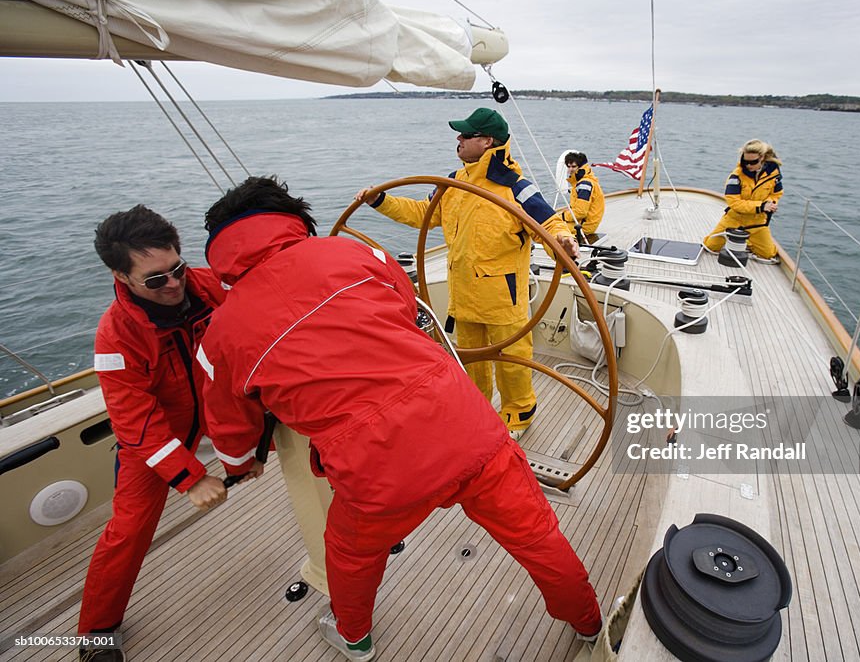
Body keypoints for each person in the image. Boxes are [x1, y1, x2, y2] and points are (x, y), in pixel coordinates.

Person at [195, 176, 602, 662]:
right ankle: (589, 622)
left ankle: (355, 639)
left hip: (378, 472)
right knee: (537, 536)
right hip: (467, 426)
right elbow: (407, 308)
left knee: (349, 556)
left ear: (220, 254)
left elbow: (231, 431)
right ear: (295, 222)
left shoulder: (219, 338)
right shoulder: (355, 255)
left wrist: (240, 467)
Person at [356, 107, 579, 437]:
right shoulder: (452, 184)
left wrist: (564, 241)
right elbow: (423, 214)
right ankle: (478, 410)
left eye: (466, 134)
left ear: (487, 142)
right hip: (464, 297)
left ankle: (520, 413)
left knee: (511, 361)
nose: (458, 139)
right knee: (470, 361)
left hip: (503, 300)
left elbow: (549, 224)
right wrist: (381, 201)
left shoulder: (517, 189)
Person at [79, 205, 230, 662]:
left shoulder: (206, 286)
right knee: (127, 532)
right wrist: (191, 477)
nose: (174, 284)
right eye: (155, 279)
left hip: (220, 407)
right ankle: (97, 633)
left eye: (177, 269)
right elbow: (135, 420)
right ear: (120, 276)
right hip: (158, 438)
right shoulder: (116, 336)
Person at [702, 139, 784, 264]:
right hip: (734, 219)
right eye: (745, 162)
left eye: (753, 162)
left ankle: (749, 242)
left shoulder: (774, 175)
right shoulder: (736, 176)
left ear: (762, 158)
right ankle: (745, 241)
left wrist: (770, 203)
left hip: (757, 222)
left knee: (768, 255)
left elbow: (776, 193)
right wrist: (761, 206)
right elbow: (734, 203)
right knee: (710, 247)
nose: (748, 165)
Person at [562, 151, 605, 244]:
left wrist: (563, 216)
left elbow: (580, 212)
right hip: (583, 222)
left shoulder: (584, 185)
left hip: (585, 226)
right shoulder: (584, 181)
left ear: (581, 167)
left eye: (573, 166)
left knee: (552, 227)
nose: (570, 169)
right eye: (568, 166)